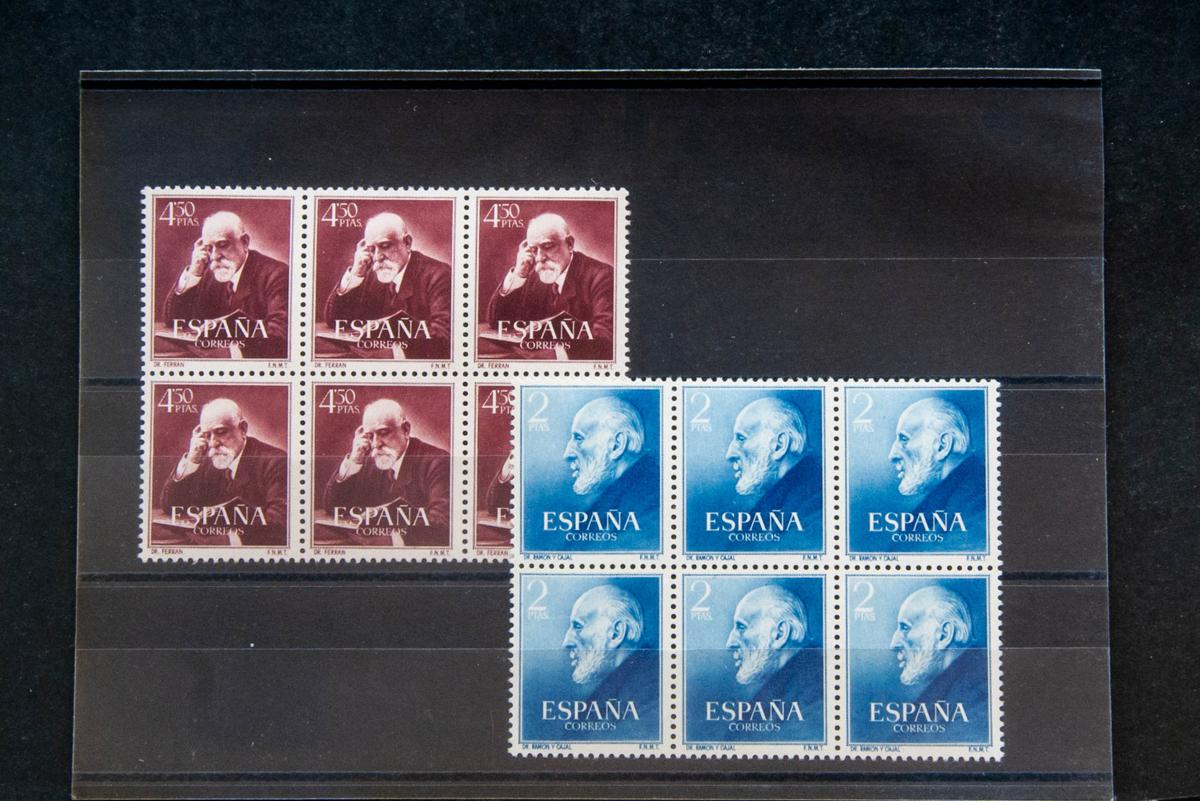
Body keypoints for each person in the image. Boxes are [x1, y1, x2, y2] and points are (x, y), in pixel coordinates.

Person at [323, 398, 450, 546]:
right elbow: (333, 506)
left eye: (383, 433)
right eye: (370, 436)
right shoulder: (369, 460)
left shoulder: (438, 461)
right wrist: (354, 460)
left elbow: (441, 523)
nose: (376, 443)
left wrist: (390, 532)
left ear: (406, 430)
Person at [323, 212, 451, 360]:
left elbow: (443, 337)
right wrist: (356, 274)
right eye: (371, 249)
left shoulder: (439, 275)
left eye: (385, 246)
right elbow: (334, 320)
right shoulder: (371, 272)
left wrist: (392, 347)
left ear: (407, 243)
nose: (377, 257)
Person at [486, 212, 613, 360]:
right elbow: (497, 321)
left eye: (547, 246)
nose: (540, 257)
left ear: (570, 244)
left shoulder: (602, 276)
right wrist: (519, 274)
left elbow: (606, 338)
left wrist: (555, 354)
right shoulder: (534, 275)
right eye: (534, 250)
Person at [160, 398, 287, 546]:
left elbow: (279, 522)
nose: (213, 443)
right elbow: (170, 506)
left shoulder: (275, 461)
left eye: (220, 432)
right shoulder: (206, 459)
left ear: (243, 429)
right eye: (207, 435)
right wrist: (192, 460)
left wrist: (229, 539)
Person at [162, 211, 289, 358]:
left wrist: (230, 346)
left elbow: (280, 335)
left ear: (245, 242)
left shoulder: (277, 274)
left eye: (222, 245)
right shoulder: (208, 272)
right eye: (209, 248)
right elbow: (173, 320)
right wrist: (194, 273)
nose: (215, 256)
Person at [888, 398, 985, 533]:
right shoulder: (955, 502)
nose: (892, 455)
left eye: (904, 439)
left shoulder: (978, 507)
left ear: (942, 446)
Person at [725, 397, 821, 532]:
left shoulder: (814, 509)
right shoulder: (790, 505)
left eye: (741, 438)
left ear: (779, 445)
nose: (729, 454)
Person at [889, 586, 987, 718]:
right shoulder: (961, 693)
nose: (893, 644)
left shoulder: (978, 698)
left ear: (944, 635)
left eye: (905, 628)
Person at [562, 584, 658, 719]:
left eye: (578, 626)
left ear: (616, 634)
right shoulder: (624, 693)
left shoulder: (650, 695)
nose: (566, 642)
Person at [562, 396, 658, 525]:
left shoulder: (650, 507)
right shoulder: (617, 506)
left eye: (579, 438)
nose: (567, 454)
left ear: (617, 445)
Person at [725, 585, 818, 706]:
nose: (729, 644)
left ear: (780, 634)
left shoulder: (813, 696)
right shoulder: (785, 695)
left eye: (741, 627)